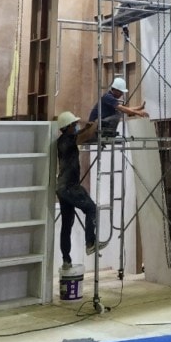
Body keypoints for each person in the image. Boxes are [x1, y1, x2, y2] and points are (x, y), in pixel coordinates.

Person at [54, 110, 105, 267]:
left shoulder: (62, 140)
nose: (76, 126)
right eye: (74, 124)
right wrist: (95, 125)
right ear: (68, 126)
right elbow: (83, 136)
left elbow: (78, 135)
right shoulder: (68, 140)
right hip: (70, 186)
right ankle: (90, 242)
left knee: (66, 224)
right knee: (91, 208)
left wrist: (84, 128)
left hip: (63, 187)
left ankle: (66, 260)